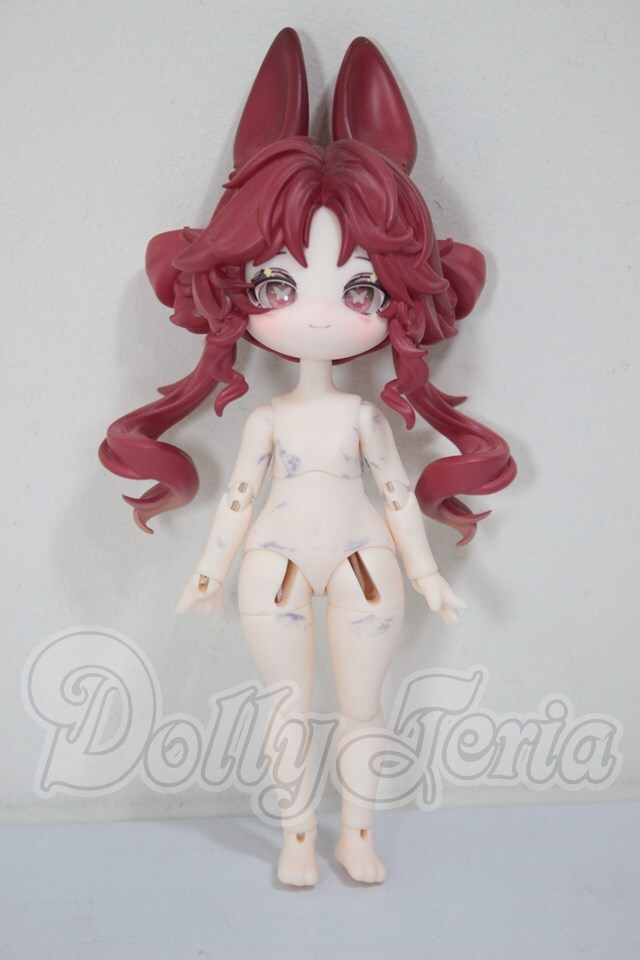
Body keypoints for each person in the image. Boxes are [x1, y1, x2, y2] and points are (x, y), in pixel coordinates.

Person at [100, 29, 516, 887]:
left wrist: (428, 575)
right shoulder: (270, 419)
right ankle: (296, 836)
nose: (320, 316)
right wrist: (208, 571)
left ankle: (355, 834)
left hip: (367, 564)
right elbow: (238, 498)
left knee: (363, 706)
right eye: (278, 286)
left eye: (361, 289)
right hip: (277, 565)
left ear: (399, 297)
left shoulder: (363, 416)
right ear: (238, 290)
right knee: (284, 705)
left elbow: (395, 494)